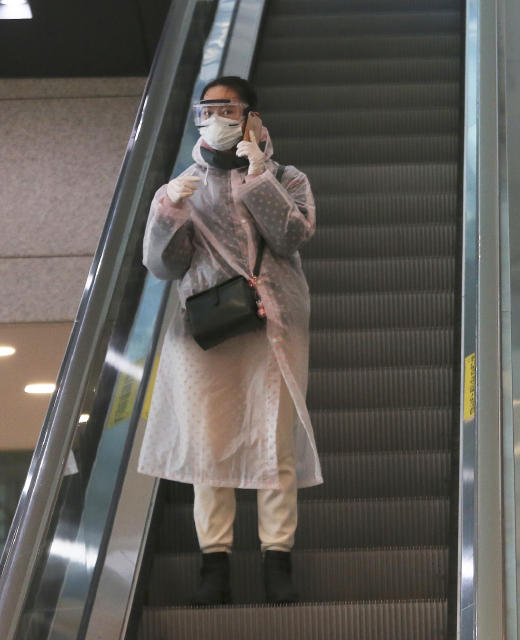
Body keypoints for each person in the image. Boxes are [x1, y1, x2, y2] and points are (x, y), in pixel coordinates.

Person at [138, 76, 322, 604]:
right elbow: (161, 265)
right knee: (209, 447)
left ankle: (276, 560)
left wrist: (259, 175)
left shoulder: (287, 177)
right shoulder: (184, 184)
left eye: (228, 108)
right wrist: (167, 211)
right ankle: (213, 565)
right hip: (207, 329)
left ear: (252, 118)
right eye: (208, 109)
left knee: (276, 441)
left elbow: (291, 237)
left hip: (275, 325)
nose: (216, 117)